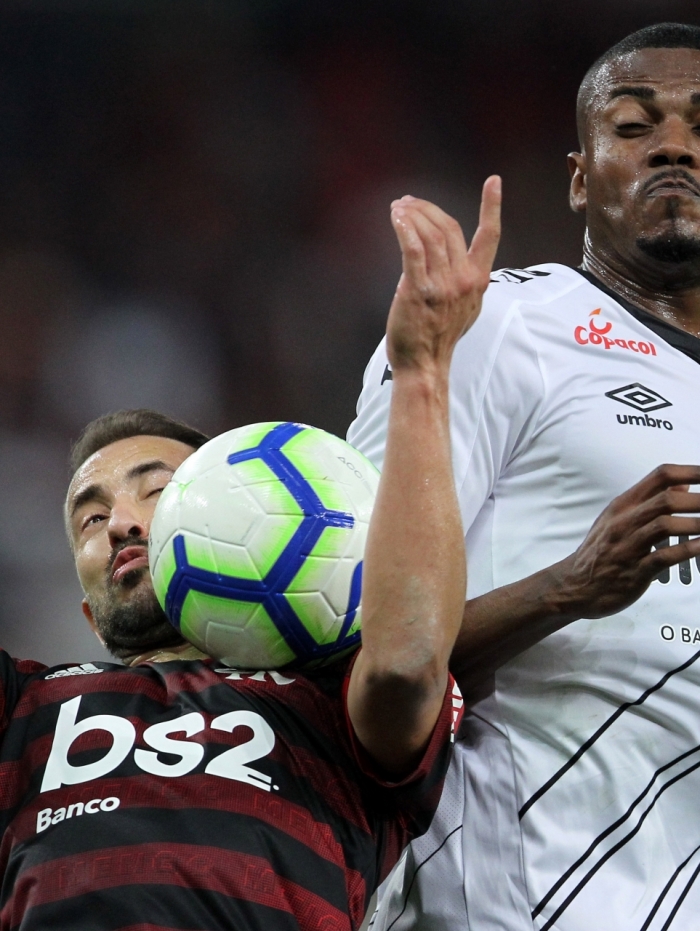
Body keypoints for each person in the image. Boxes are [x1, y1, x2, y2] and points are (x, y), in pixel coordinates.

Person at [0, 175, 502, 931]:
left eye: (153, 491)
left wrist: (423, 373)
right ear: (86, 611)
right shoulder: (26, 707)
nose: (121, 524)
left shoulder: (328, 701)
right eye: (89, 519)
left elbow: (407, 660)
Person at [349, 22, 700, 931]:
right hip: (525, 895)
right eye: (633, 126)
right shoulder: (504, 325)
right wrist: (572, 587)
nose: (672, 144)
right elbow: (357, 642)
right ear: (581, 180)